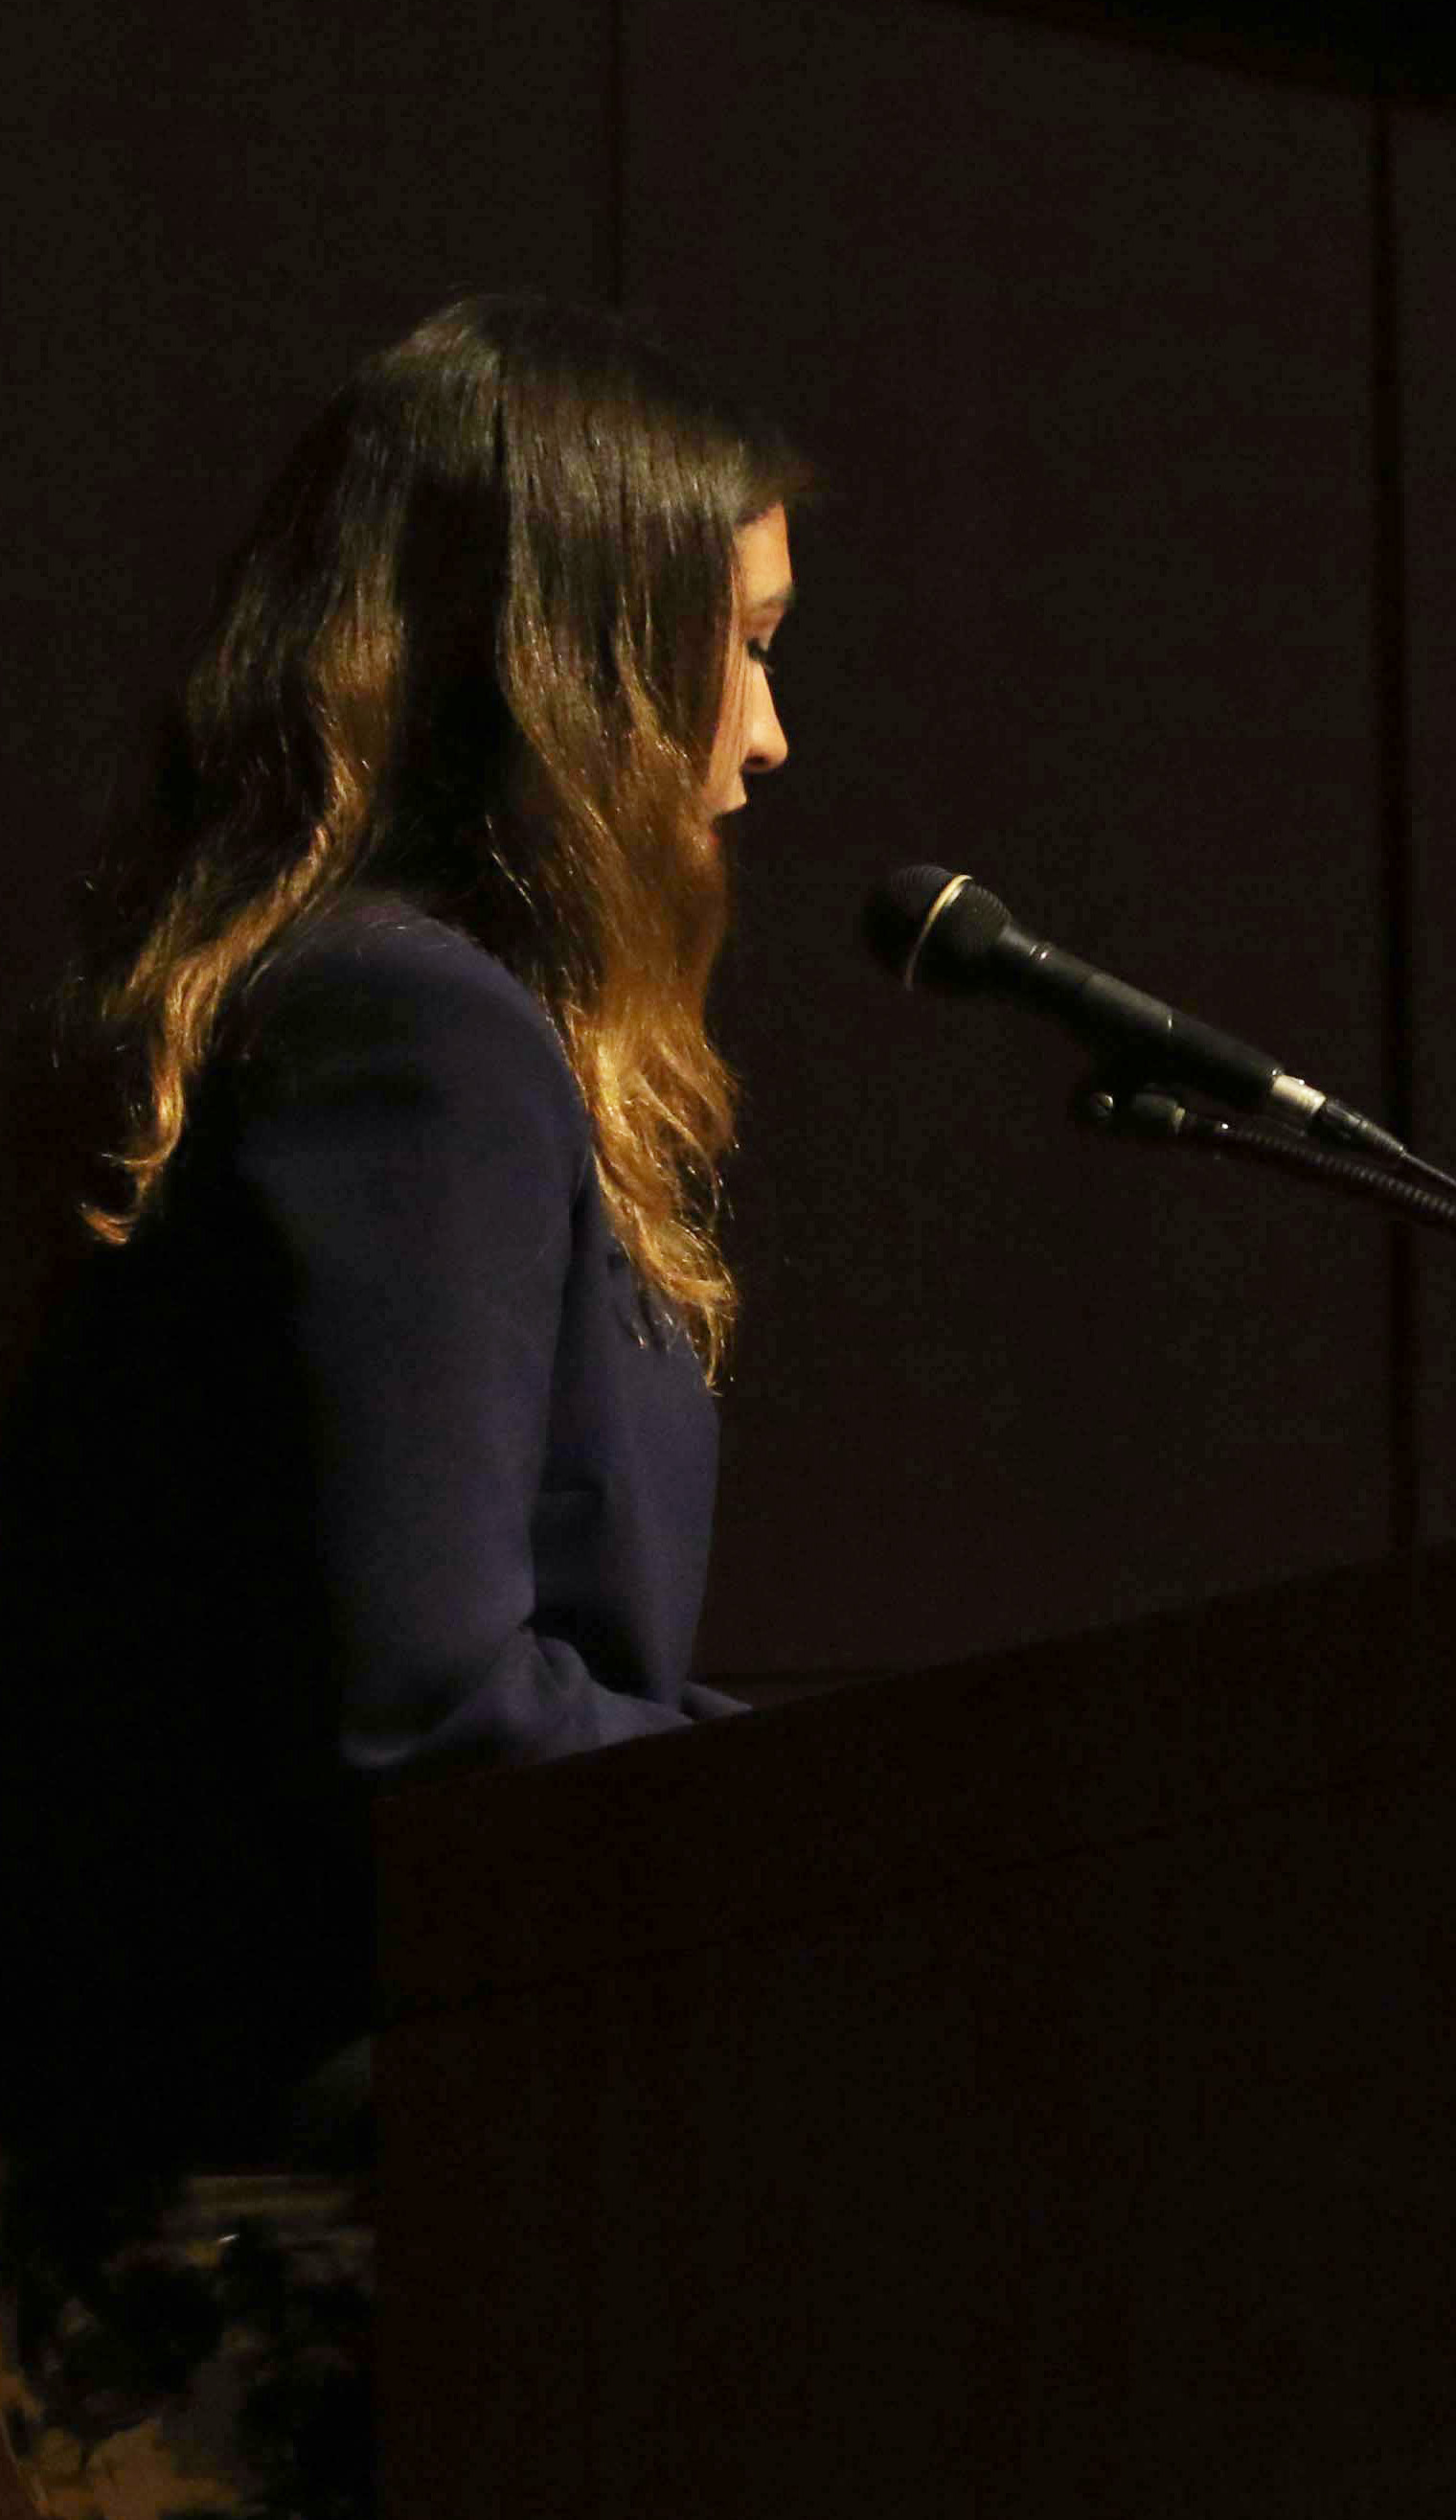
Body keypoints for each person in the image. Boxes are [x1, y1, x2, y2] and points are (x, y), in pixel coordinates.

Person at [0, 300, 798, 2517]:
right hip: (300, 2279)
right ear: (576, 662)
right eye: (742, 649)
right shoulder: (414, 1032)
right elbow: (428, 1713)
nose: (769, 736)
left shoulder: (359, 1003)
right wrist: (845, 1805)